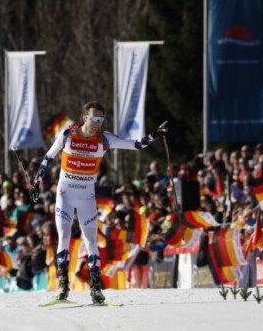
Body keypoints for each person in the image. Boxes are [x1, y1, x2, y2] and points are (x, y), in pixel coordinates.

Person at [33, 101, 167, 304]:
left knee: (91, 241)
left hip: (87, 197)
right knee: (64, 237)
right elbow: (48, 157)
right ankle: (63, 287)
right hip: (65, 195)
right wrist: (36, 182)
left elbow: (137, 145)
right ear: (84, 117)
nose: (97, 123)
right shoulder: (68, 134)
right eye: (94, 118)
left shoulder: (105, 139)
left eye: (101, 119)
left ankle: (96, 289)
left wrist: (156, 135)